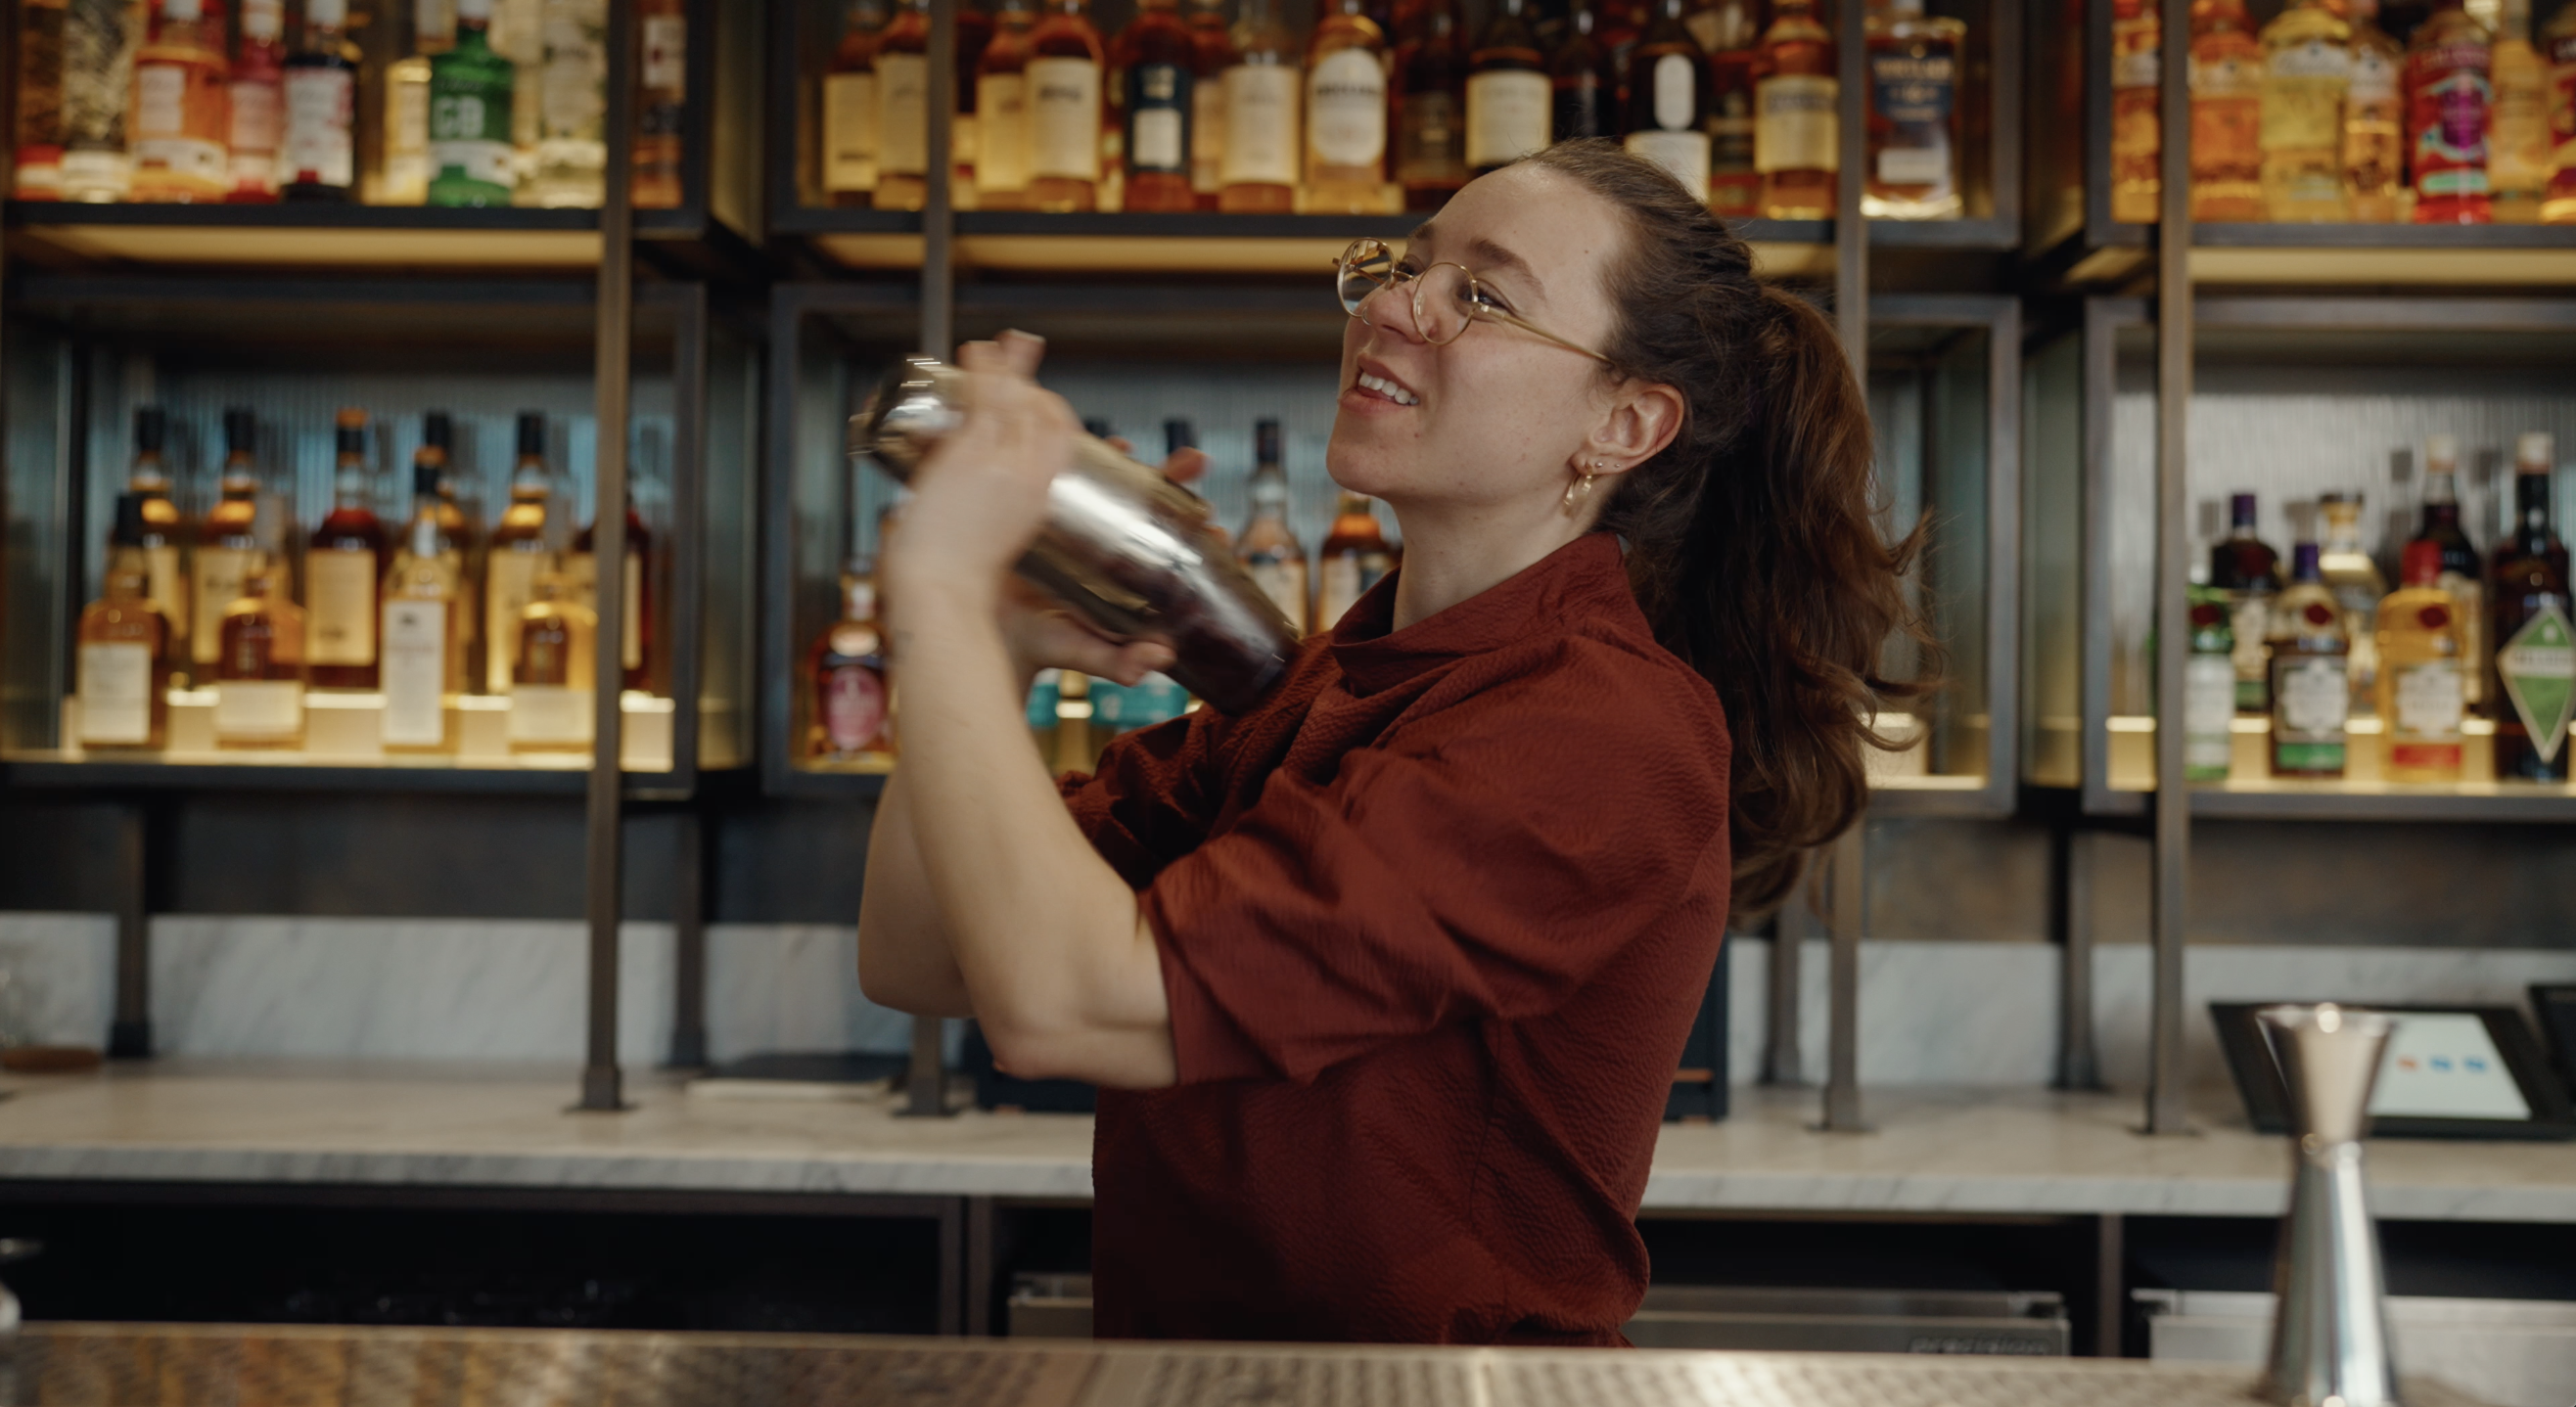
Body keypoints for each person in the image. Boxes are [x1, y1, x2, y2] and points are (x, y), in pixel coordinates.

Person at [856, 140, 1930, 1345]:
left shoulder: (1602, 730)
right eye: (1404, 265)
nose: (1392, 306)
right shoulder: (1316, 689)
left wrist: (938, 595)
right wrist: (994, 646)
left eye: (1480, 293)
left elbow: (1070, 1002)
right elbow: (921, 956)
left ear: (1625, 423)